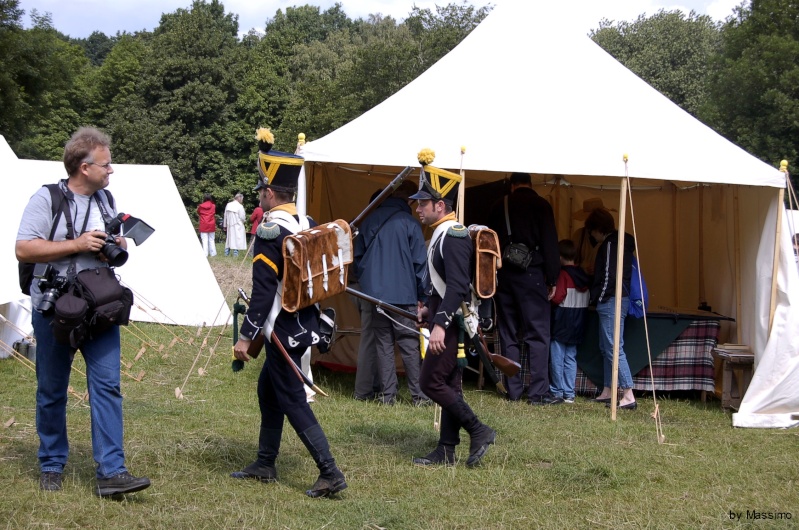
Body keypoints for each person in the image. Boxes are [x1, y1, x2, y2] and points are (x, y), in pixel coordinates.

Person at [15, 127, 151, 496]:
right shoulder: (47, 199)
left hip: (100, 304)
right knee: (52, 388)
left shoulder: (106, 200)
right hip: (57, 306)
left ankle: (112, 472)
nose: (111, 171)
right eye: (106, 165)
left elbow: (110, 240)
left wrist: (114, 243)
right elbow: (24, 249)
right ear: (83, 166)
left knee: (107, 385)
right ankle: (52, 464)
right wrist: (76, 243)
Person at [231, 128, 346, 498]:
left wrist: (246, 337)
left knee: (293, 401)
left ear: (269, 192)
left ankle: (330, 472)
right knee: (269, 392)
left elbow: (264, 293)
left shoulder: (270, 231)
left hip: (281, 329)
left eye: (261, 190)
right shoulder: (307, 223)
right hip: (304, 325)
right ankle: (265, 462)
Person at [411, 148, 495, 468]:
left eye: (423, 202)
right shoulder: (441, 233)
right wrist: (428, 313)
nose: (418, 208)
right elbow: (441, 286)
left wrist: (440, 324)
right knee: (447, 385)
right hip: (443, 317)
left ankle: (478, 429)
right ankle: (447, 449)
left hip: (452, 323)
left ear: (440, 205)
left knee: (429, 382)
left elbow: (458, 286)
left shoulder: (454, 235)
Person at [353, 180, 431, 406]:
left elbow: (357, 260)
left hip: (374, 296)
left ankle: (388, 396)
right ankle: (419, 396)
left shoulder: (368, 220)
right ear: (408, 200)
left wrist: (369, 284)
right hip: (404, 296)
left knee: (383, 346)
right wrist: (422, 297)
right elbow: (420, 264)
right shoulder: (410, 223)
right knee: (408, 346)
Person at [486, 173, 560, 405]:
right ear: (531, 184)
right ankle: (538, 392)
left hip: (504, 276)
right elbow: (550, 243)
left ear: (512, 185)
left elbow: (488, 241)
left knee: (508, 333)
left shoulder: (499, 205)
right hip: (533, 275)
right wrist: (553, 277)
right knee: (537, 334)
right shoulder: (541, 205)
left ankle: (514, 389)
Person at [584, 208, 637, 410]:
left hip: (611, 300)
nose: (591, 235)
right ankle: (608, 390)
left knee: (613, 347)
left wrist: (599, 297)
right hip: (620, 298)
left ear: (598, 228)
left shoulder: (609, 244)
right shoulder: (621, 243)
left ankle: (628, 393)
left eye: (591, 230)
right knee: (608, 347)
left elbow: (609, 275)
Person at [351, 189, 383, 402]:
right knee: (372, 339)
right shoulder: (371, 225)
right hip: (370, 290)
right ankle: (363, 391)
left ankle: (374, 387)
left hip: (365, 288)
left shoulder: (365, 224)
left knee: (376, 339)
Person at [548, 239, 590, 404]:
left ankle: (557, 391)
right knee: (571, 357)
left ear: (559, 257)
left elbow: (557, 298)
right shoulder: (584, 276)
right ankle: (569, 393)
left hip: (562, 321)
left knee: (557, 357)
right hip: (579, 322)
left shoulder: (563, 275)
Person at [570, 198, 610, 276]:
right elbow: (570, 259)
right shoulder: (579, 234)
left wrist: (599, 268)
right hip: (582, 280)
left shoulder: (611, 237)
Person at [197, 193, 217, 257]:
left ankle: (205, 254)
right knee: (211, 239)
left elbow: (198, 212)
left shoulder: (201, 206)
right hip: (211, 224)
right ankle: (213, 253)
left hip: (203, 224)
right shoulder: (213, 206)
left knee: (204, 240)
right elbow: (214, 213)